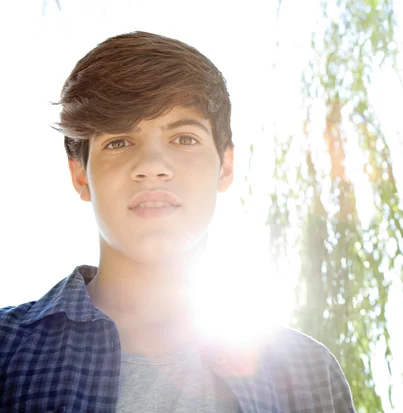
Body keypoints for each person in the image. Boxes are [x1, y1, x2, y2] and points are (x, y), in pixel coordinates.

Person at [0, 31, 356, 413]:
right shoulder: (6, 352)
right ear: (81, 176)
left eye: (184, 138)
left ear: (226, 166)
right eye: (118, 141)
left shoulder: (307, 374)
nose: (152, 166)